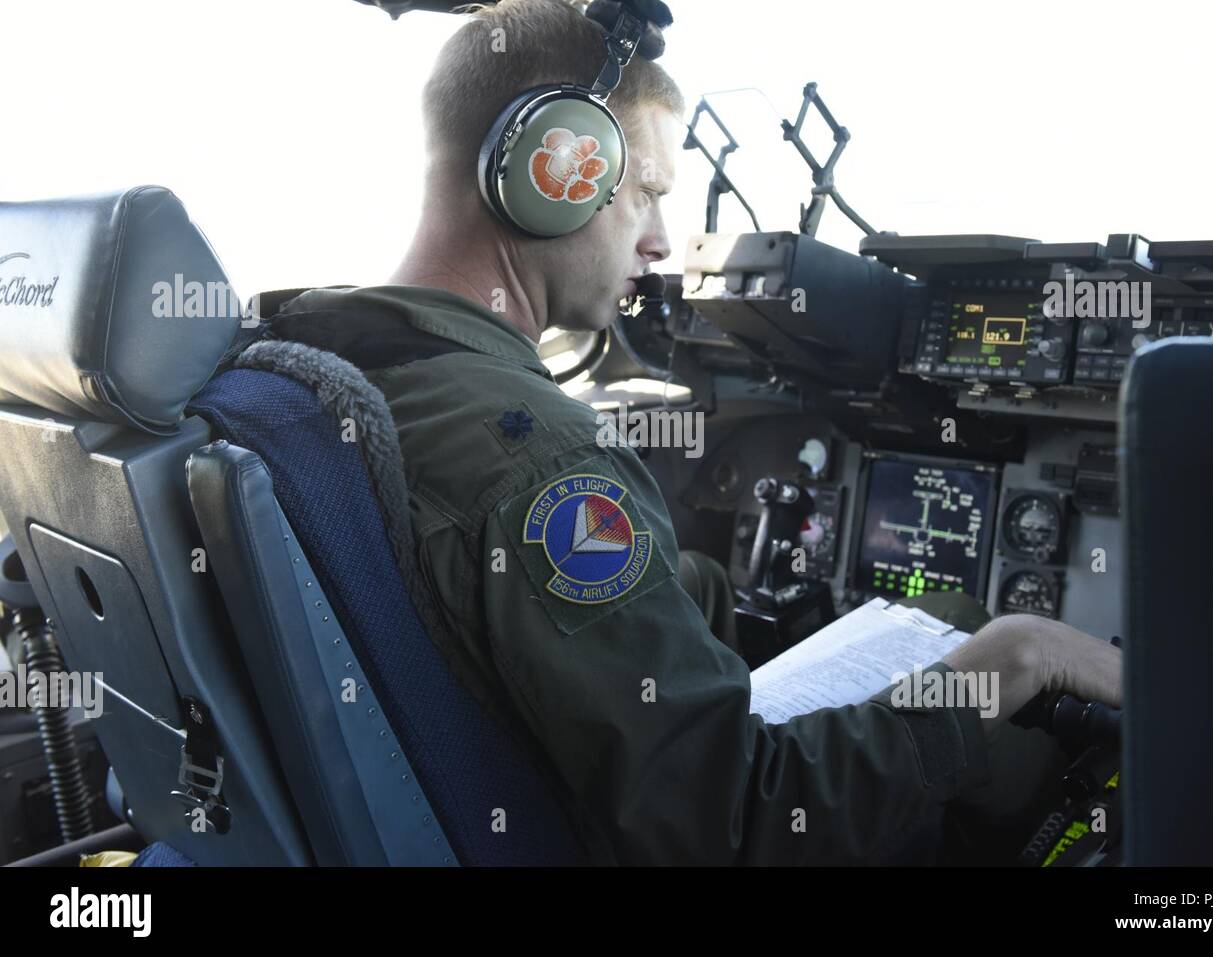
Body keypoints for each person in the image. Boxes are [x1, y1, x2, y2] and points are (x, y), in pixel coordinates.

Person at [270, 0, 1120, 863]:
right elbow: (737, 824)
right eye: (645, 193)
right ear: (546, 170)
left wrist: (688, 603)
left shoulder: (306, 362)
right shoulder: (540, 462)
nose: (660, 242)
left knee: (743, 590)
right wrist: (1020, 652)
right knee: (977, 652)